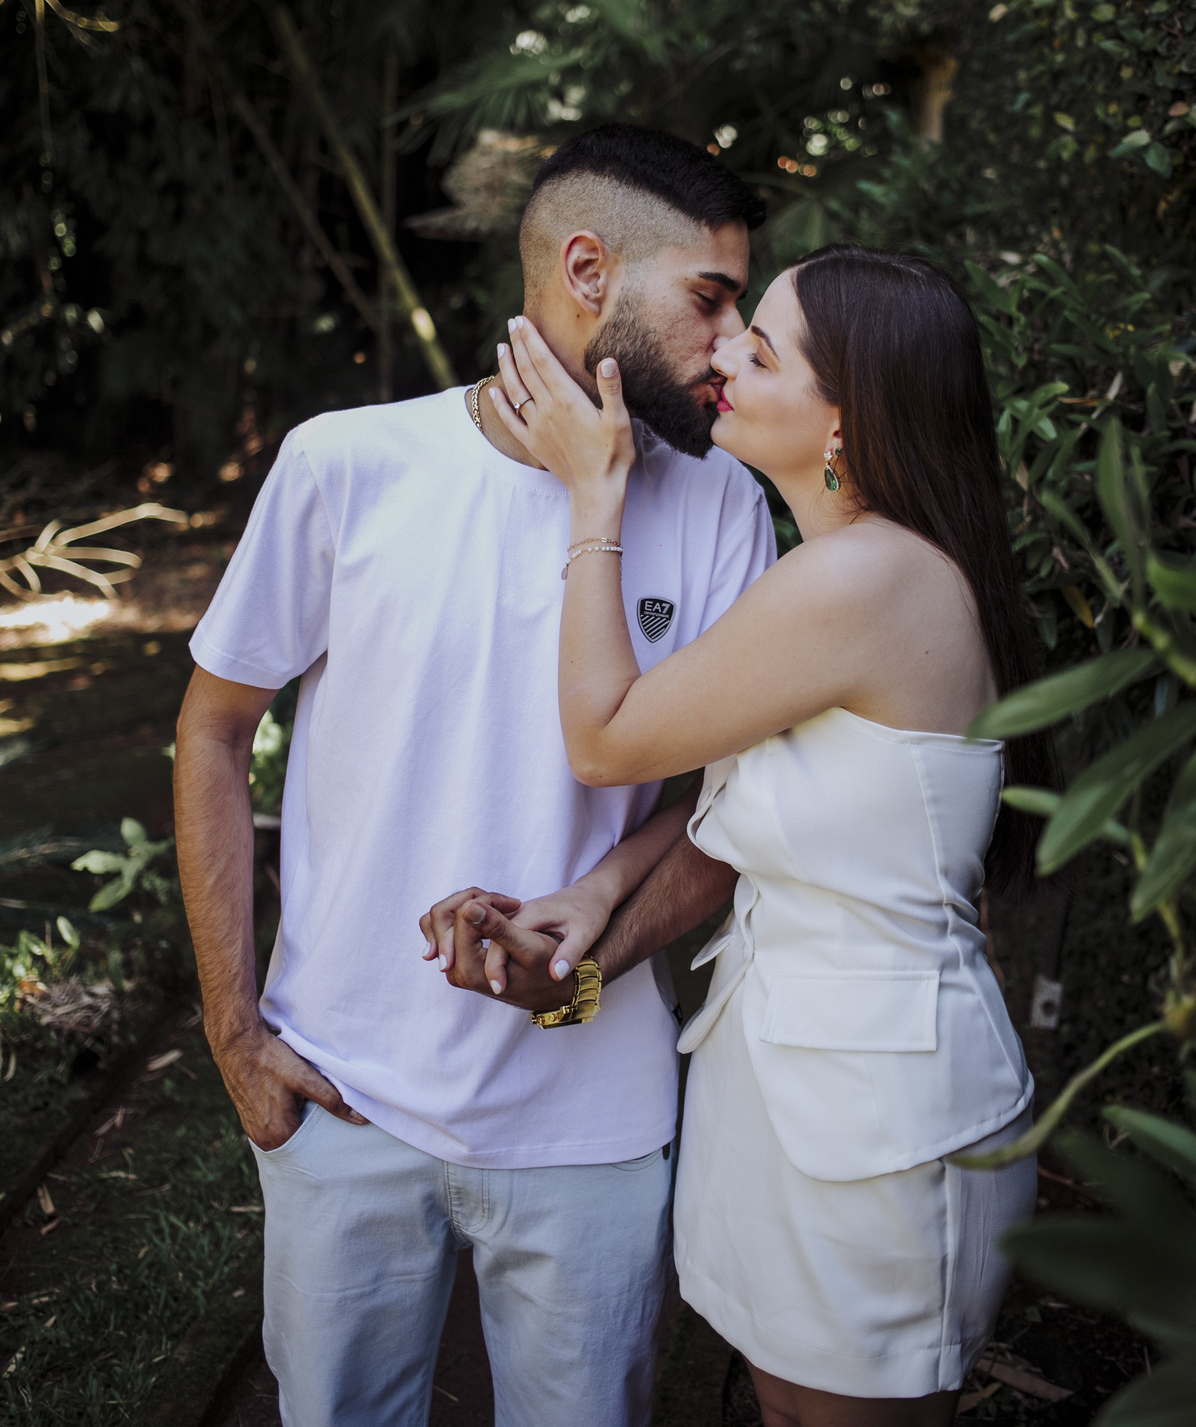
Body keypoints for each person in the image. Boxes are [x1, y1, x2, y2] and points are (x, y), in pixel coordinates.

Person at [171, 123, 778, 1427]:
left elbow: (733, 808)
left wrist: (592, 964)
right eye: (711, 300)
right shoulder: (346, 464)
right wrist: (236, 1035)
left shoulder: (725, 506)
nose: (733, 346)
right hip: (345, 1096)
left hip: (595, 1126)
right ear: (587, 270)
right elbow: (213, 732)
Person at [426, 245, 1050, 1427]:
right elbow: (738, 800)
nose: (720, 354)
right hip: (789, 1096)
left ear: (842, 419)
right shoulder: (840, 574)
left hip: (872, 1122)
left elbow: (605, 739)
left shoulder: (865, 581)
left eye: (756, 351)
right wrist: (602, 892)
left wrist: (595, 498)